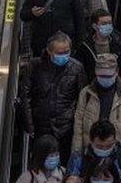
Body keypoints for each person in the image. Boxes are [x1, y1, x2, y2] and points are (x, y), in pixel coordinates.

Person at [20, 33, 88, 161]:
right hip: (41, 125)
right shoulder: (35, 66)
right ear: (49, 51)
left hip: (67, 127)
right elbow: (26, 96)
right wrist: (29, 125)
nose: (63, 55)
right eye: (59, 52)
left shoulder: (77, 68)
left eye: (66, 51)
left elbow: (82, 98)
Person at [72, 54, 121, 165]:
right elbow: (78, 128)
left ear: (116, 72)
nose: (104, 79)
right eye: (101, 76)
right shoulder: (86, 93)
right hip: (91, 155)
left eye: (108, 76)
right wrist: (76, 159)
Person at [77, 9, 121, 85]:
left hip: (115, 86)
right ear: (95, 26)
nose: (108, 26)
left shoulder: (119, 45)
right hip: (92, 86)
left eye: (109, 23)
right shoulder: (85, 47)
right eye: (104, 24)